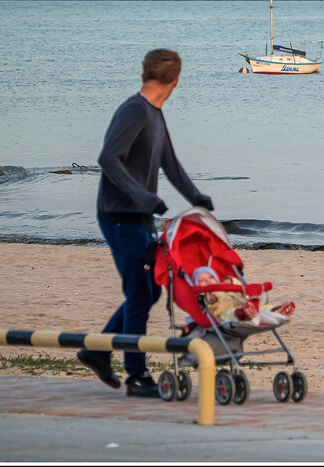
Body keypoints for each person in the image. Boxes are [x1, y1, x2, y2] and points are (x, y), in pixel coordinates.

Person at [76, 49, 214, 398]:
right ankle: (136, 376)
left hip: (138, 217)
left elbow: (170, 163)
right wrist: (145, 198)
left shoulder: (154, 115)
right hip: (119, 217)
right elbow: (108, 158)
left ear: (145, 74)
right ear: (176, 82)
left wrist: (196, 197)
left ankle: (97, 350)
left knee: (150, 290)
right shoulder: (135, 110)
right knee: (140, 292)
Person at [192, 266, 295, 326]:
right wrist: (209, 293)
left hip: (247, 306)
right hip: (227, 312)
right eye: (202, 280)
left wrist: (231, 281)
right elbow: (210, 301)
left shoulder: (225, 287)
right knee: (231, 313)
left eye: (210, 277)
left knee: (262, 309)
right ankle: (245, 314)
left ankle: (276, 311)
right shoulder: (206, 296)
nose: (207, 281)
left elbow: (241, 289)